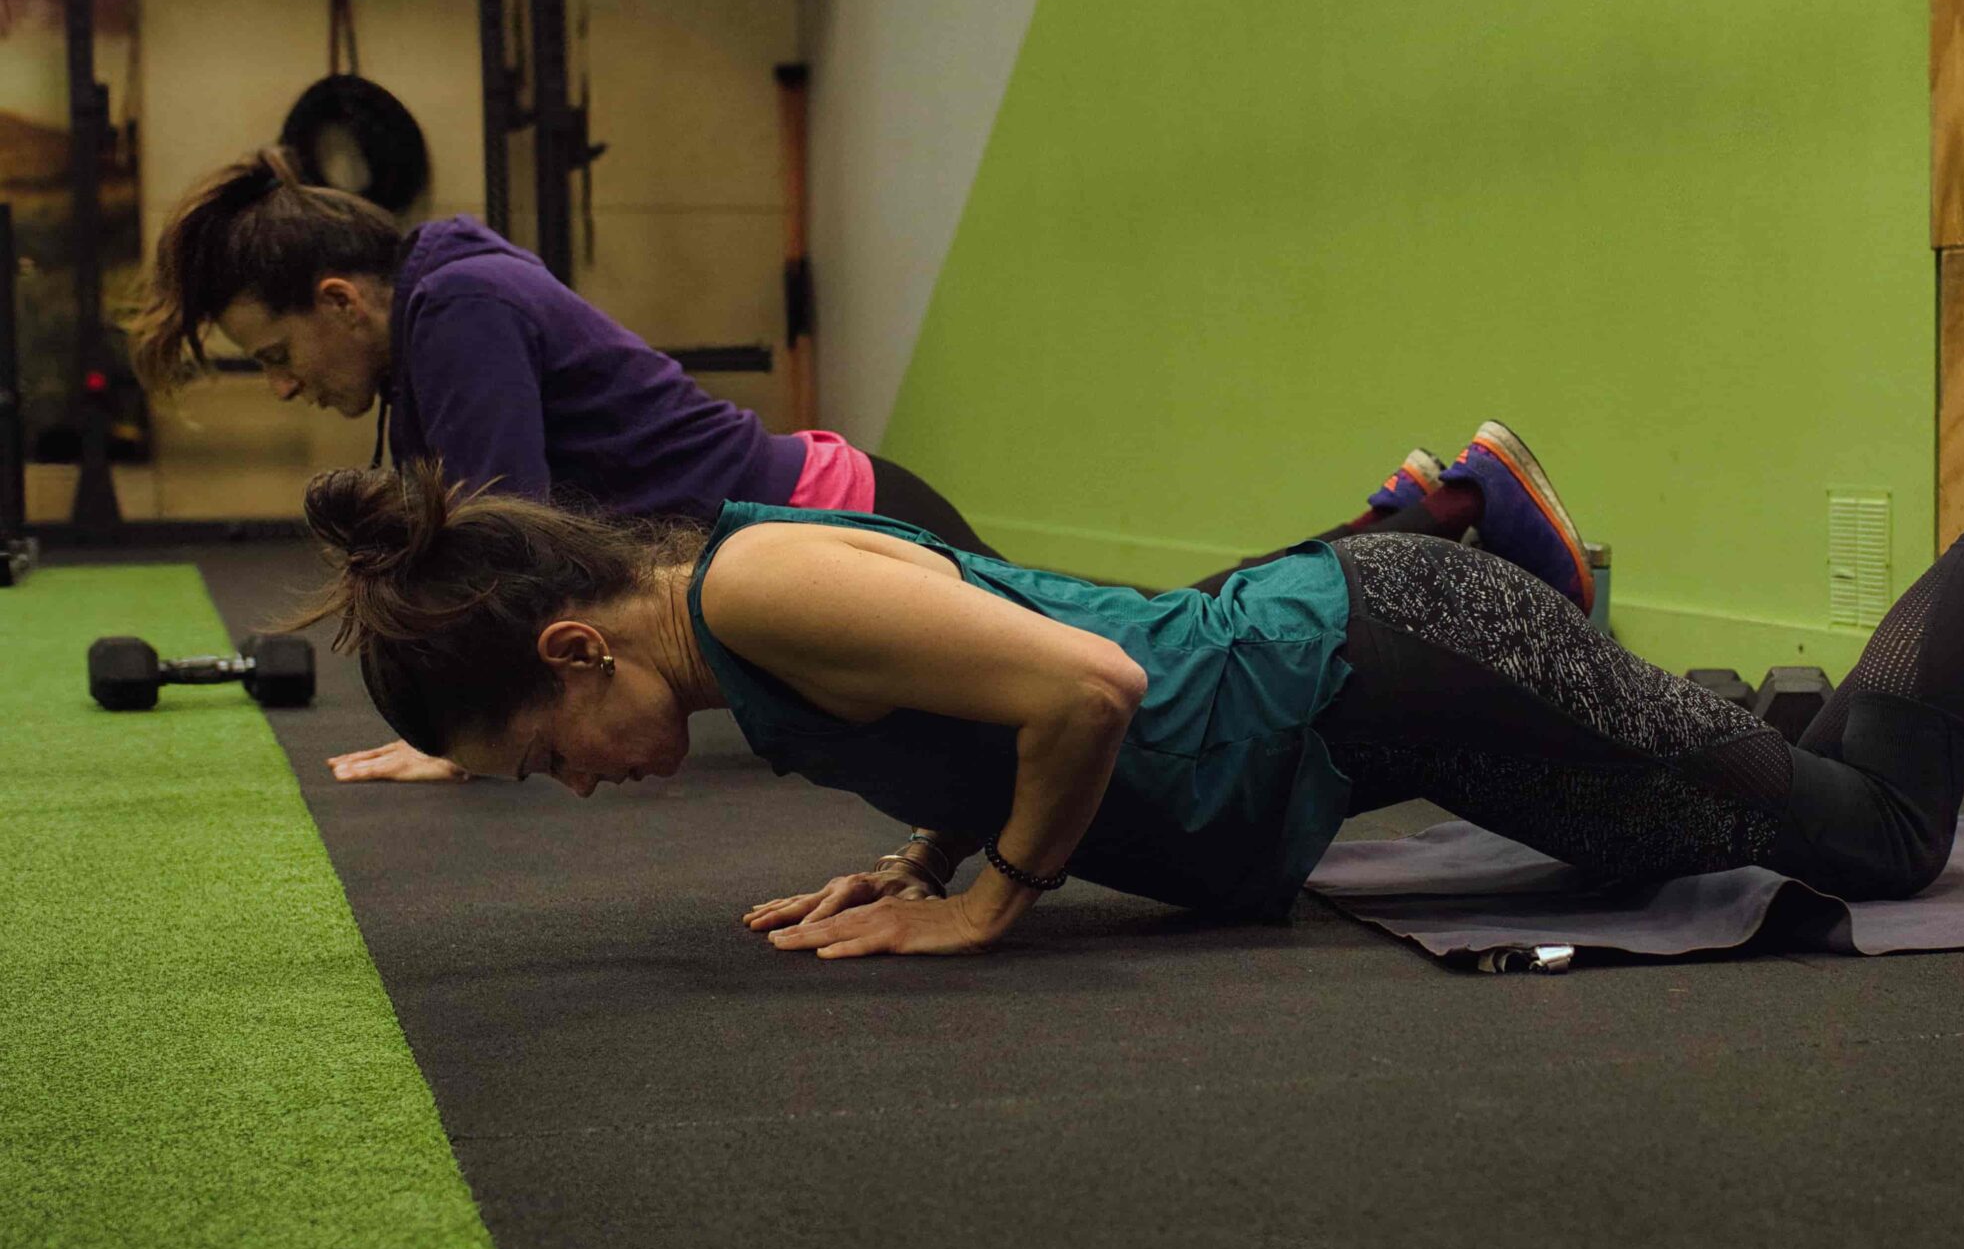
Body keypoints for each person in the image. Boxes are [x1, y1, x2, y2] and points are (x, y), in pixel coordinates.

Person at [285, 331, 1964, 958]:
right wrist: (918, 851)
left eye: (545, 753)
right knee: (1679, 841)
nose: (580, 788)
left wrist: (988, 899)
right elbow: (997, 666)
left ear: (575, 645)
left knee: (1860, 834)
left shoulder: (748, 590)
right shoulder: (741, 635)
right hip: (1361, 692)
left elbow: (1088, 688)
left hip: (1391, 649)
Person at [128, 147, 1597, 784]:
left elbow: (507, 531)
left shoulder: (451, 312)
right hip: (830, 510)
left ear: (339, 299)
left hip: (833, 523)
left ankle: (1456, 529)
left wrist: (472, 722)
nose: (290, 386)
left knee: (1177, 674)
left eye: (276, 354)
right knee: (1172, 650)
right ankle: (1440, 524)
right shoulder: (449, 293)